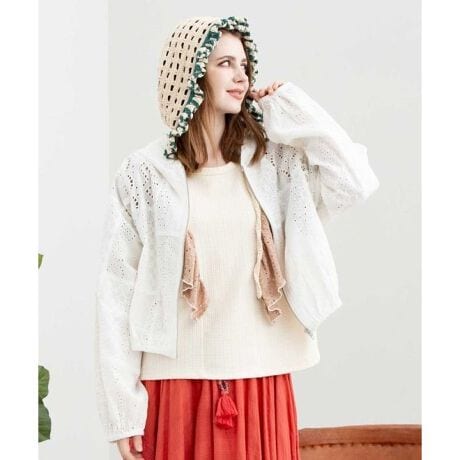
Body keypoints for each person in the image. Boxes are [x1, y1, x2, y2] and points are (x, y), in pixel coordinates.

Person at [94, 15, 380, 460]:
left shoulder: (274, 166)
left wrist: (293, 109)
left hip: (262, 380)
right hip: (175, 387)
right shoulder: (144, 173)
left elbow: (355, 181)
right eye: (224, 63)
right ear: (191, 75)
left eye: (244, 64)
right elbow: (117, 291)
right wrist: (123, 411)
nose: (241, 76)